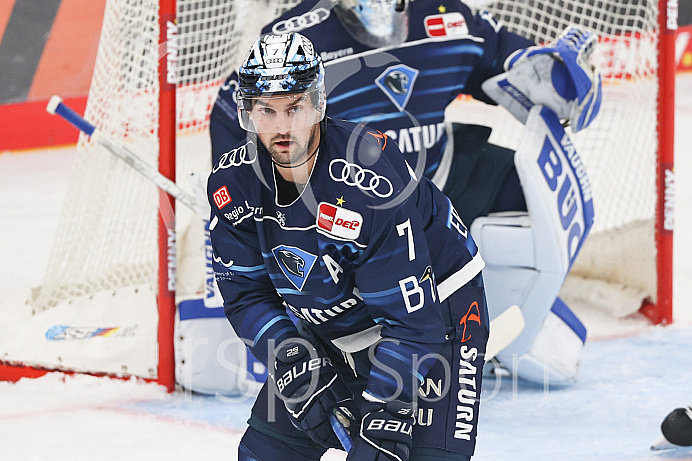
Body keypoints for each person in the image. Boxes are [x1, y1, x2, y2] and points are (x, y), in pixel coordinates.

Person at [208, 0, 602, 385]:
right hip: (343, 213)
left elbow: (503, 58)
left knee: (520, 187)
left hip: (433, 184)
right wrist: (249, 213)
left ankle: (500, 302)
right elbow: (234, 115)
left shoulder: (446, 16)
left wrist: (554, 76)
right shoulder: (297, 39)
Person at [207, 32, 489, 461]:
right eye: (267, 110)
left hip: (440, 314)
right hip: (332, 316)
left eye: (295, 107)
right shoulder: (233, 186)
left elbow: (413, 325)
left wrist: (386, 412)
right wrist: (294, 360)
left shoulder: (369, 182)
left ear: (318, 104)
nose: (282, 127)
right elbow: (246, 295)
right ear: (249, 113)